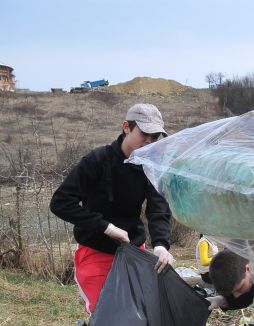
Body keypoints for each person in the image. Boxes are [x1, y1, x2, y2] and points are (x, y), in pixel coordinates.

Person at [50, 103, 174, 314]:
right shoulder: (97, 160)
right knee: (106, 316)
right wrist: (106, 227)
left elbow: (158, 208)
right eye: (145, 134)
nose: (149, 142)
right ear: (126, 127)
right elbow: (60, 202)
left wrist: (161, 244)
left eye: (155, 138)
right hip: (96, 251)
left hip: (134, 252)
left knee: (139, 313)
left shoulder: (150, 166)